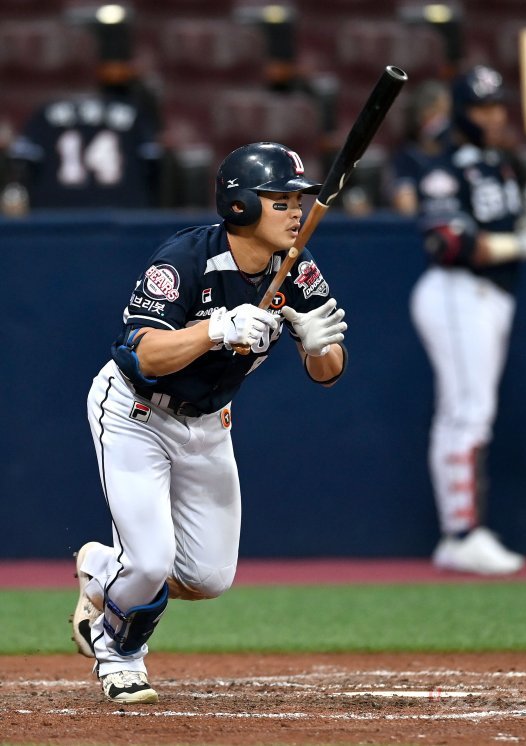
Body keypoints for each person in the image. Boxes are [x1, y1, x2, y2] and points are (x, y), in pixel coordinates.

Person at [71, 141, 348, 703]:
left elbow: (328, 373)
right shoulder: (186, 259)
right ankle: (120, 654)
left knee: (207, 578)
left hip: (208, 425)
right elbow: (142, 355)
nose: (296, 211)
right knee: (150, 561)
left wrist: (320, 347)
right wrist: (216, 330)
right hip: (136, 414)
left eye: (298, 201)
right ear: (240, 205)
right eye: (281, 200)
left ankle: (100, 569)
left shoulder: (297, 269)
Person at [396, 65, 526, 575]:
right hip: (458, 291)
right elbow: (446, 243)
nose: (492, 117)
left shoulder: (504, 164)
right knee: (468, 412)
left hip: (490, 296)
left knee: (464, 412)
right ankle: (462, 533)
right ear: (462, 112)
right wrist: (522, 243)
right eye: (481, 108)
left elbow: (502, 219)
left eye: (497, 106)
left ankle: (460, 533)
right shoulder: (445, 165)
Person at [4, 8, 162, 210]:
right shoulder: (134, 113)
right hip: (123, 215)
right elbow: (155, 166)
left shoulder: (44, 114)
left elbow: (20, 170)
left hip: (55, 218)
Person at [390, 79, 451, 216]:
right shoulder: (407, 158)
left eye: (446, 113)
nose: (445, 120)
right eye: (437, 112)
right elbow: (406, 210)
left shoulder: (456, 154)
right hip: (425, 225)